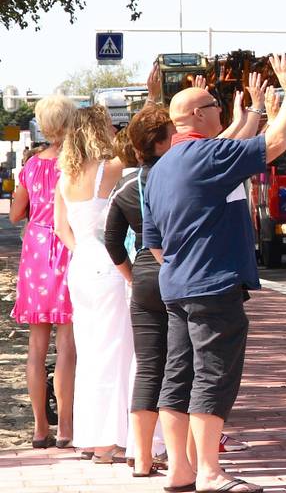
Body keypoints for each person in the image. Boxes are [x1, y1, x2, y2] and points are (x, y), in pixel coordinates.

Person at [143, 54, 286, 493]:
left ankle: (180, 469)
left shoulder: (159, 171)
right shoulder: (205, 158)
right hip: (212, 285)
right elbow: (277, 141)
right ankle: (210, 472)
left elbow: (153, 240)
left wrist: (249, 113)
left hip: (175, 286)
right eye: (213, 104)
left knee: (178, 377)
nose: (219, 108)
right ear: (197, 115)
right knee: (213, 376)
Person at [54, 104, 130, 463]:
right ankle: (112, 440)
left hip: (80, 263)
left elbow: (60, 228)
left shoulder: (64, 177)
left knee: (90, 352)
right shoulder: (111, 169)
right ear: (100, 131)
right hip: (109, 264)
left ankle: (91, 436)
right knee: (119, 351)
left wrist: (82, 250)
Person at [104, 105, 175, 478]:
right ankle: (183, 456)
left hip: (145, 275)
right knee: (183, 366)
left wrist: (132, 276)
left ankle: (142, 457)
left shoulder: (126, 187)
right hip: (177, 273)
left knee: (148, 367)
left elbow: (113, 242)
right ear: (163, 142)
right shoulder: (176, 176)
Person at [9, 94, 77, 449]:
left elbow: (15, 214)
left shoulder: (33, 166)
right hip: (68, 247)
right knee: (67, 343)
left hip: (36, 253)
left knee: (36, 346)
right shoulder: (78, 164)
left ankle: (39, 428)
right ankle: (65, 427)